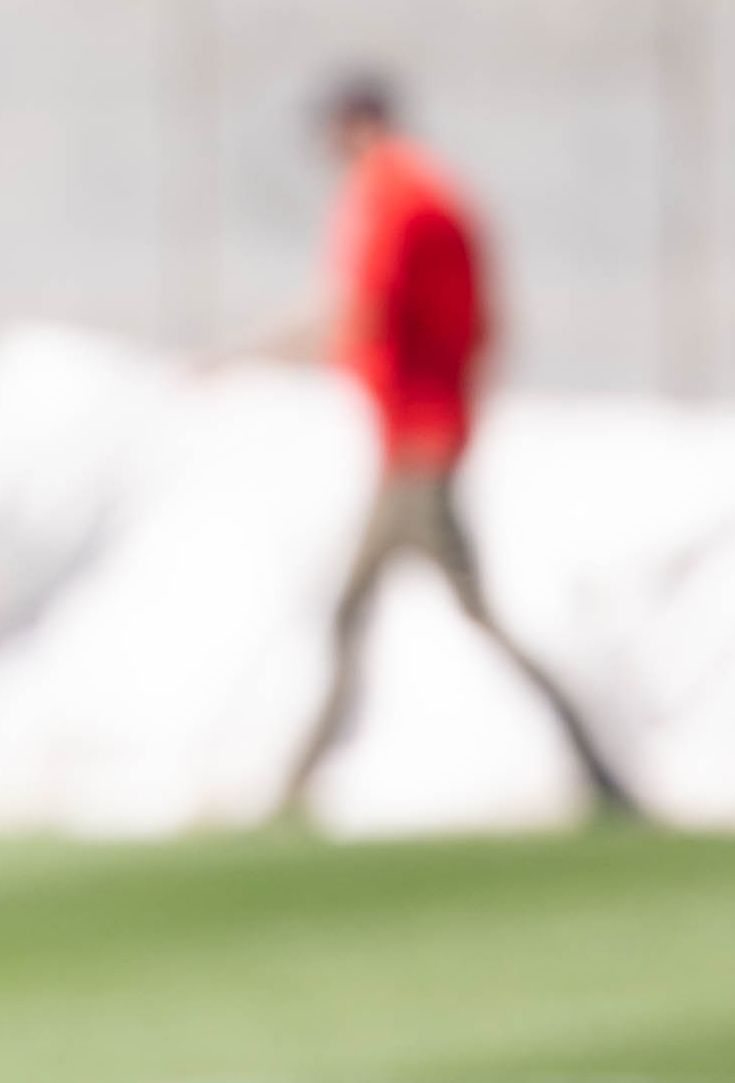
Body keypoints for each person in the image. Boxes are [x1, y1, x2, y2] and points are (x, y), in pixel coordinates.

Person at [264, 71, 630, 820]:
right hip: (419, 434)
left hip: (417, 442)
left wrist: (246, 358)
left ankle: (601, 774)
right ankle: (294, 787)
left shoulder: (395, 196)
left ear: (358, 121)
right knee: (356, 610)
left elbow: (359, 313)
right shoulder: (429, 191)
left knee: (435, 612)